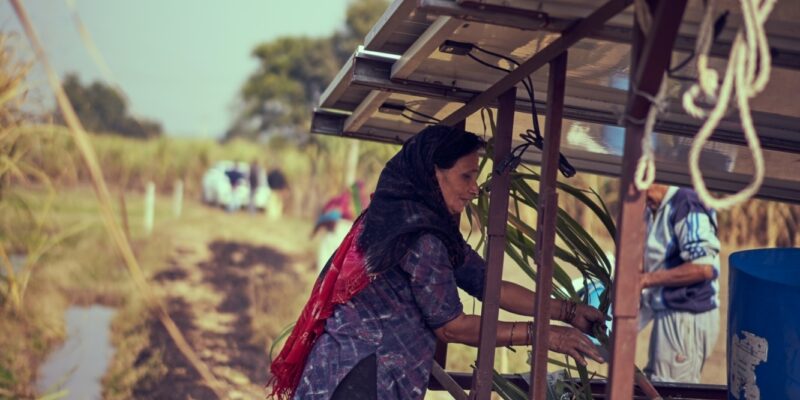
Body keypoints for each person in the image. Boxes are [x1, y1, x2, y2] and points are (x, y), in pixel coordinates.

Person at [268, 125, 606, 399]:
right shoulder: (421, 237)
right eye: (466, 177)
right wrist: (543, 335)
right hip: (361, 376)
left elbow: (492, 285)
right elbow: (451, 326)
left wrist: (567, 312)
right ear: (434, 173)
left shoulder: (417, 224)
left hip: (352, 370)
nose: (475, 189)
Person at [640, 184, 721, 383]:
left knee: (670, 387)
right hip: (668, 311)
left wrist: (644, 280)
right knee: (656, 383)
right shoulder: (656, 207)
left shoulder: (686, 201)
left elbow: (703, 267)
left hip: (686, 314)